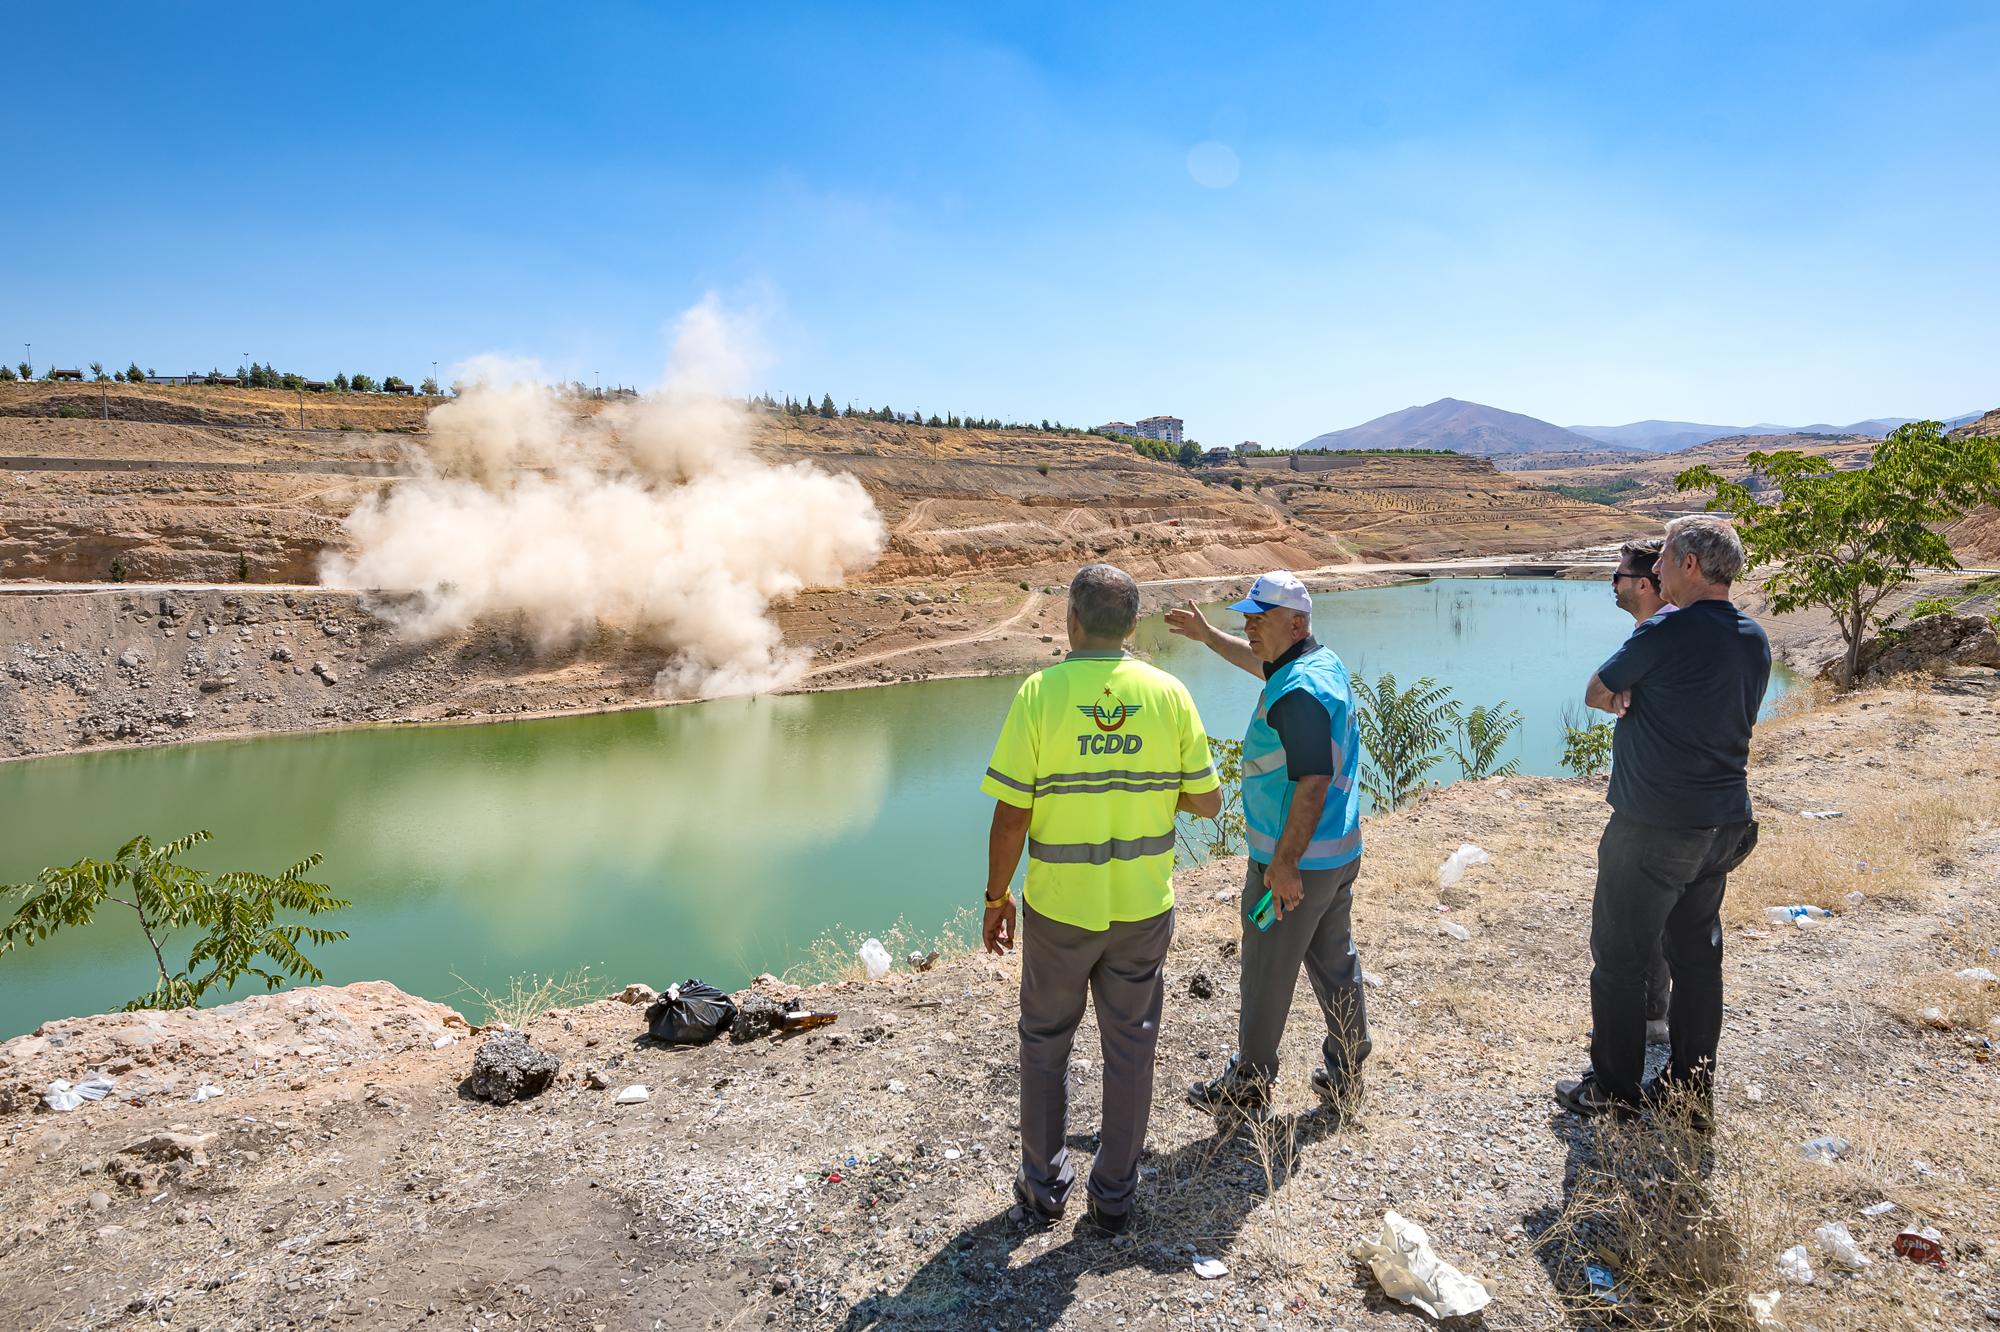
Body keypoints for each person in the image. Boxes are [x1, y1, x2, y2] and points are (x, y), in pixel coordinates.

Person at [980, 563, 1222, 1234]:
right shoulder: (1169, 693)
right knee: (1132, 1046)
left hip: (1060, 910)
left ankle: (1044, 1188)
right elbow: (1208, 801)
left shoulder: (1040, 694)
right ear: (1134, 624)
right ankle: (1114, 1196)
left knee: (1045, 1042)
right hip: (1142, 908)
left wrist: (996, 898)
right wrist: (1147, 786)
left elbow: (1011, 816)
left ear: (1072, 620)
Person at [1557, 515, 1769, 1125]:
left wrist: (1625, 693)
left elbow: (1597, 689)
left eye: (1665, 557)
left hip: (1655, 825)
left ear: (1690, 565)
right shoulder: (1753, 637)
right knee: (1698, 962)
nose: (1656, 567)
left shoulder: (1668, 629)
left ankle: (1613, 1090)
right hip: (1724, 825)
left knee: (1620, 960)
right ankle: (1689, 1093)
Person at [1164, 570, 1368, 1122]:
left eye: (1260, 617)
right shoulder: (1316, 665)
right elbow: (1262, 665)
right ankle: (1347, 1075)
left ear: (1296, 623)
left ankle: (1248, 1084)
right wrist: (1208, 636)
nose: (1249, 625)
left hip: (1294, 864)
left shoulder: (1298, 691)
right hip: (1335, 853)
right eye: (1247, 617)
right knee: (1336, 965)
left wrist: (1283, 865)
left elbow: (1312, 782)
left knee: (1264, 973)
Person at [1611, 537, 1677, 1049]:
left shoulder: (1663, 631)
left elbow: (1596, 689)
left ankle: (1639, 1027)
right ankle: (1659, 1016)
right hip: (1667, 802)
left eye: (1618, 577)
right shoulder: (1658, 631)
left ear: (1645, 584)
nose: (1612, 584)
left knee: (1628, 921)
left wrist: (1616, 688)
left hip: (1654, 808)